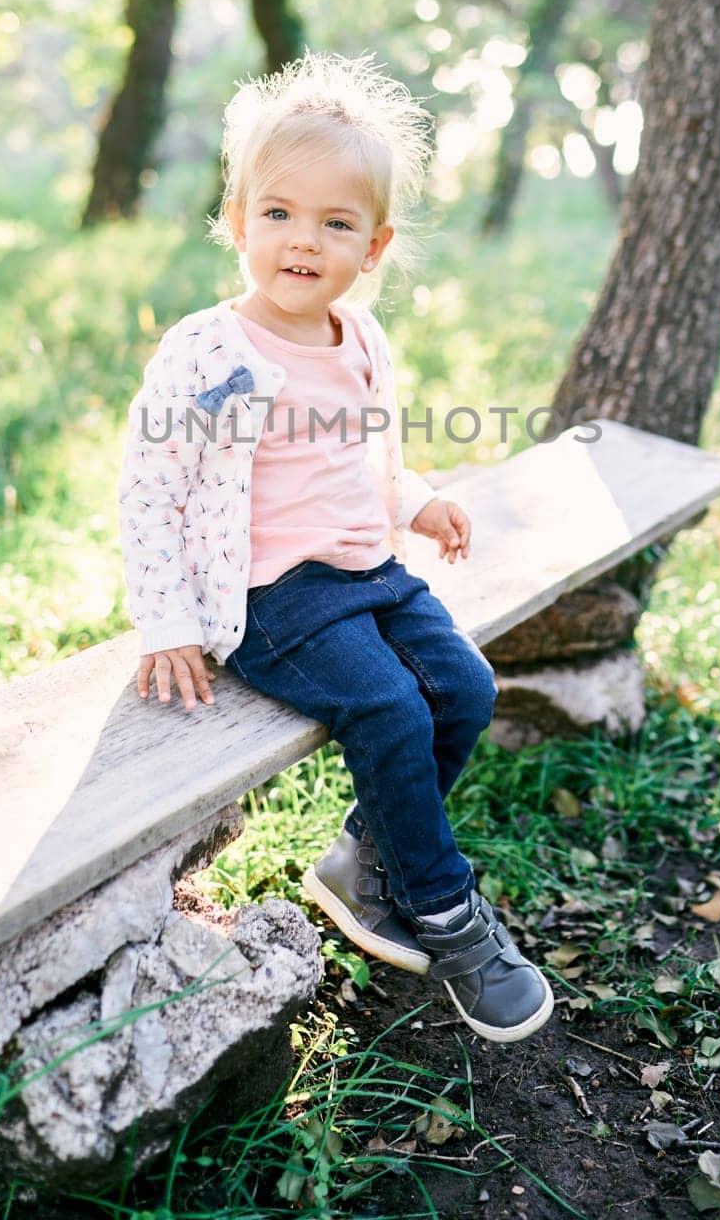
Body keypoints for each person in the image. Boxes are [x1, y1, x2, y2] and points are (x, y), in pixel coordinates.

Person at [118, 53, 553, 1043]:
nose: (301, 240)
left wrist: (417, 498)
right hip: (271, 596)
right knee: (389, 704)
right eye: (276, 214)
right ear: (233, 219)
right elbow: (154, 487)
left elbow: (352, 461)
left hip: (368, 574)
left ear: (374, 245)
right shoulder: (216, 354)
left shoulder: (356, 339)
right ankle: (446, 916)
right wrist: (166, 620)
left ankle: (361, 862)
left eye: (334, 222)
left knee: (466, 687)